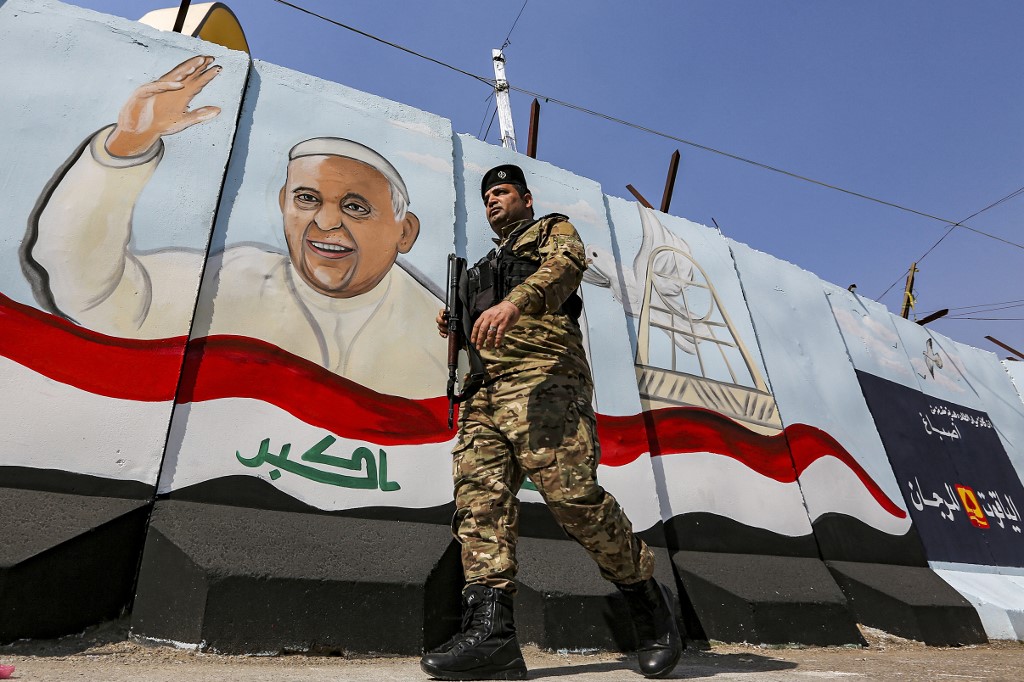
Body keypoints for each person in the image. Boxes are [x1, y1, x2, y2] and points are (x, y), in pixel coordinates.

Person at [23, 56, 445, 399]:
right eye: (306, 199)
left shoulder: (440, 329)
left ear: (404, 232)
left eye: (355, 207)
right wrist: (128, 146)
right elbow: (87, 289)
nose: (326, 222)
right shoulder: (234, 279)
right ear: (284, 204)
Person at [421, 165, 682, 679]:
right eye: (488, 195)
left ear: (526, 198)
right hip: (483, 392)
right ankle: (492, 636)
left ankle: (648, 605)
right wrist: (455, 324)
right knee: (480, 505)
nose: (493, 200)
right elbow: (470, 335)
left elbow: (567, 265)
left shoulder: (550, 230)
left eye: (502, 192)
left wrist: (514, 302)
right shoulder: (479, 268)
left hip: (544, 381)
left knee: (573, 498)